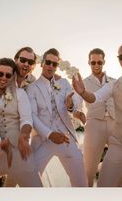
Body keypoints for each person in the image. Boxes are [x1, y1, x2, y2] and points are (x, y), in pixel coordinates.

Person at [72, 42, 122, 187]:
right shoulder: (97, 83)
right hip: (106, 133)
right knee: (95, 175)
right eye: (121, 57)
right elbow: (88, 99)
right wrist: (80, 95)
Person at [0, 58, 42, 187]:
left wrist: (24, 136)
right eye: (0, 74)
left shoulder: (20, 93)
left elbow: (26, 118)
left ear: (12, 77)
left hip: (19, 151)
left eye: (8, 75)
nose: (4, 78)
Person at [26, 48, 87, 187]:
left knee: (81, 182)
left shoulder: (64, 83)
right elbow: (32, 116)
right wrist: (50, 134)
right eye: (48, 62)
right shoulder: (32, 88)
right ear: (42, 64)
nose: (51, 66)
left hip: (66, 138)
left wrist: (71, 105)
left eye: (54, 64)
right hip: (42, 140)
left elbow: (75, 105)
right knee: (30, 180)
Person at [80, 48, 116, 186]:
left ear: (104, 62)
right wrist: (74, 109)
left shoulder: (114, 81)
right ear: (89, 62)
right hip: (94, 124)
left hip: (115, 124)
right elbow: (76, 105)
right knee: (88, 170)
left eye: (99, 62)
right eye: (93, 62)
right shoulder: (82, 83)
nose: (96, 65)